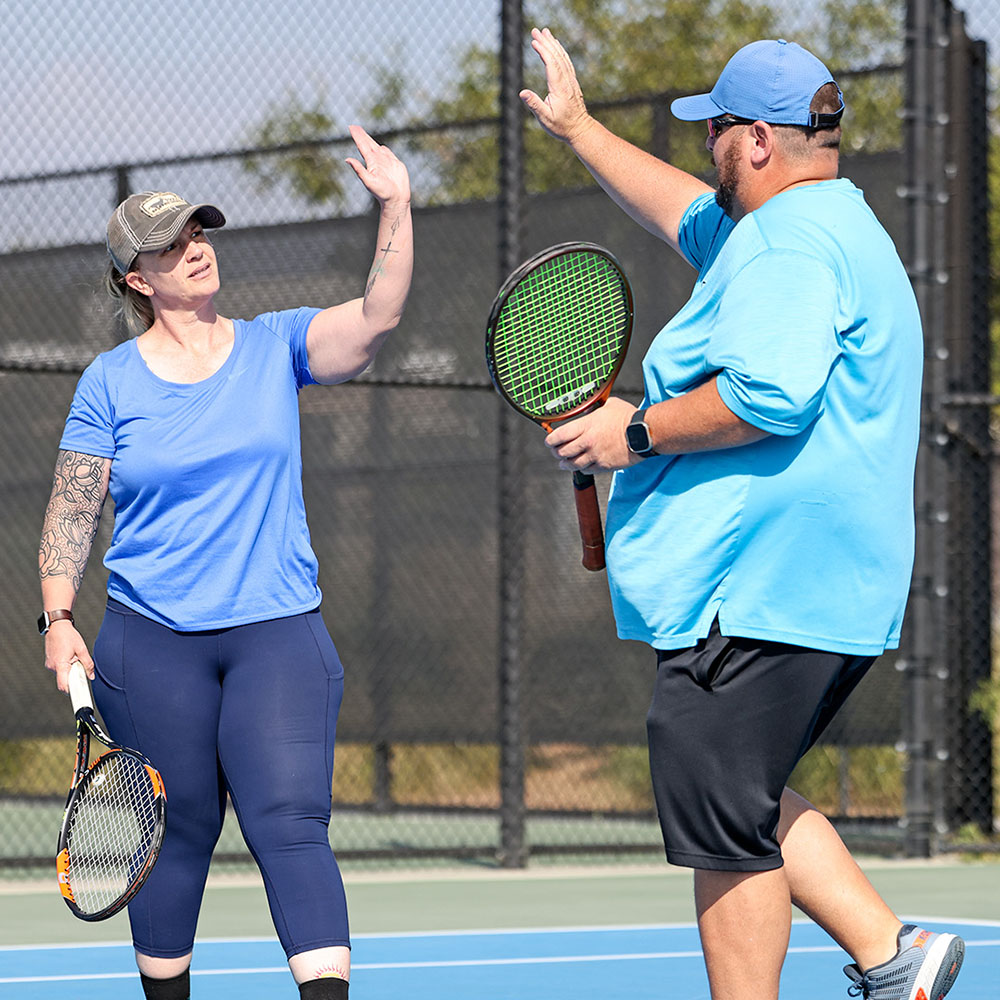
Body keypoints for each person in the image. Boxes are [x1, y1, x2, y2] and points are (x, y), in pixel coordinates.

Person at [519, 28, 964, 1000]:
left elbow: (770, 392)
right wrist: (579, 129)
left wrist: (630, 434)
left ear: (756, 139)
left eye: (716, 129)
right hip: (809, 586)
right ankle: (894, 956)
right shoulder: (818, 223)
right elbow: (678, 205)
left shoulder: (788, 244)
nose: (706, 148)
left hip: (763, 587)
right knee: (734, 790)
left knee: (719, 801)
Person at [37, 124, 412, 1000]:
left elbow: (377, 316)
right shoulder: (109, 384)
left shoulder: (278, 344)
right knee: (178, 829)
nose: (195, 252)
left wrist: (395, 203)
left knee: (290, 824)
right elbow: (73, 508)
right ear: (139, 277)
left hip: (276, 635)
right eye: (172, 246)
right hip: (151, 642)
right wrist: (58, 618)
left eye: (199, 234)